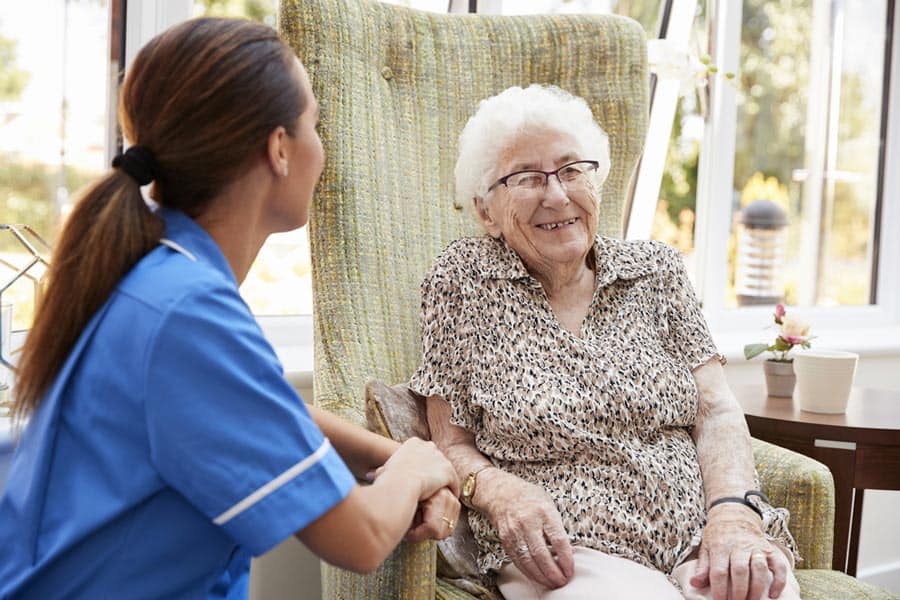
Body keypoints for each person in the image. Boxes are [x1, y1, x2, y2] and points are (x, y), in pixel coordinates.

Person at [0, 17, 459, 599]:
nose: (323, 148)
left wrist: (393, 453)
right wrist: (418, 468)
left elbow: (256, 405)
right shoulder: (190, 319)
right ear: (279, 149)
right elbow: (362, 538)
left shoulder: (154, 278)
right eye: (315, 125)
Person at [409, 84, 800, 600]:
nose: (557, 195)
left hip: (699, 536)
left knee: (762, 590)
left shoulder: (656, 271)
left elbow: (717, 412)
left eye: (572, 170)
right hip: (570, 549)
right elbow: (449, 441)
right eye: (527, 178)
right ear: (486, 211)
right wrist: (499, 491)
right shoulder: (463, 280)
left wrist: (731, 515)